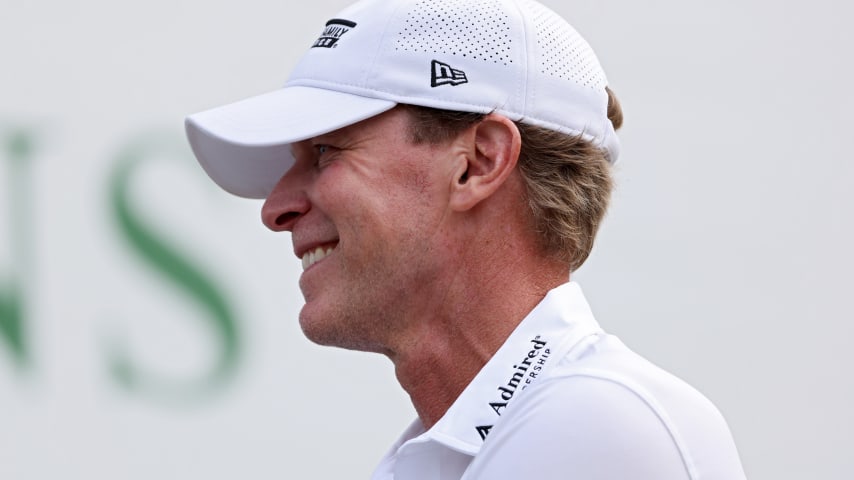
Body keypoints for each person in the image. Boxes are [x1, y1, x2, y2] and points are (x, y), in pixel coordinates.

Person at [185, 0, 747, 478]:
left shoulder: (603, 420)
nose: (277, 209)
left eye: (326, 151)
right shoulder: (522, 431)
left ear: (479, 163)